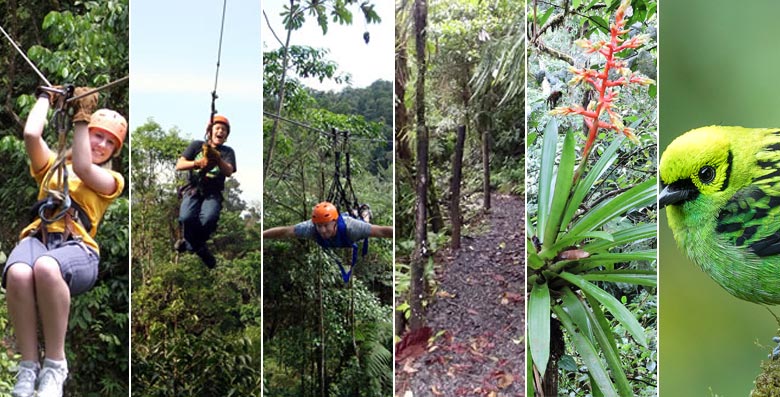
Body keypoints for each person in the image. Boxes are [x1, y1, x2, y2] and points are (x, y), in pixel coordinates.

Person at [3, 86, 127, 397]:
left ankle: (55, 365)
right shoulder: (53, 167)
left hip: (77, 248)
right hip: (40, 237)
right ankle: (28, 367)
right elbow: (32, 135)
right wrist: (48, 97)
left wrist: (82, 116)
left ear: (115, 152)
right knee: (17, 273)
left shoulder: (111, 181)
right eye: (97, 135)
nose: (101, 143)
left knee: (46, 267)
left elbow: (84, 168)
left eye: (110, 142)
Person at [263, 201, 393, 279]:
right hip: (342, 231)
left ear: (335, 222)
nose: (323, 230)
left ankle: (363, 212)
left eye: (326, 226)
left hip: (351, 227)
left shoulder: (353, 228)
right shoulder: (310, 228)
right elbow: (285, 231)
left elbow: (381, 231)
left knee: (362, 221)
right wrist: (262, 235)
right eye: (319, 226)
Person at [174, 114, 236, 268]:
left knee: (208, 219)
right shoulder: (197, 146)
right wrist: (198, 163)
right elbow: (179, 164)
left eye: (224, 130)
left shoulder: (227, 152)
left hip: (212, 193)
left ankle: (191, 243)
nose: (220, 132)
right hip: (194, 189)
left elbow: (229, 171)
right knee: (186, 218)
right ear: (210, 131)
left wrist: (218, 159)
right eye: (218, 128)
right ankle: (198, 248)